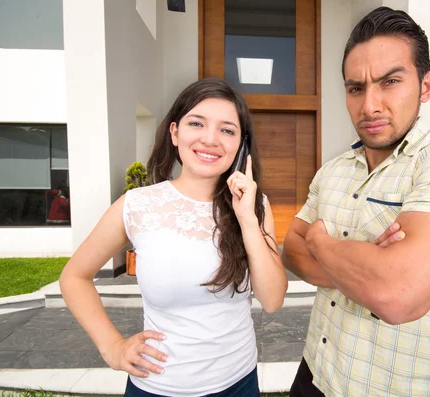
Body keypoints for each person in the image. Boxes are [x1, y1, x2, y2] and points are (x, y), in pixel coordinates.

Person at [282, 7, 430, 397]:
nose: (369, 106)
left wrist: (322, 243)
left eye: (390, 81)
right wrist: (369, 265)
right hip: (317, 371)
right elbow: (291, 252)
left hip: (396, 386)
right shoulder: (331, 171)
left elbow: (398, 295)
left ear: (426, 84)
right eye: (356, 88)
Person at [60, 77, 287, 397]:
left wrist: (247, 220)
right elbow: (74, 276)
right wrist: (112, 346)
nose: (211, 139)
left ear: (241, 146)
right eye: (197, 123)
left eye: (227, 130)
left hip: (239, 383)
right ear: (175, 132)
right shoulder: (138, 205)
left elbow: (273, 299)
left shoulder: (255, 205)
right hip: (158, 386)